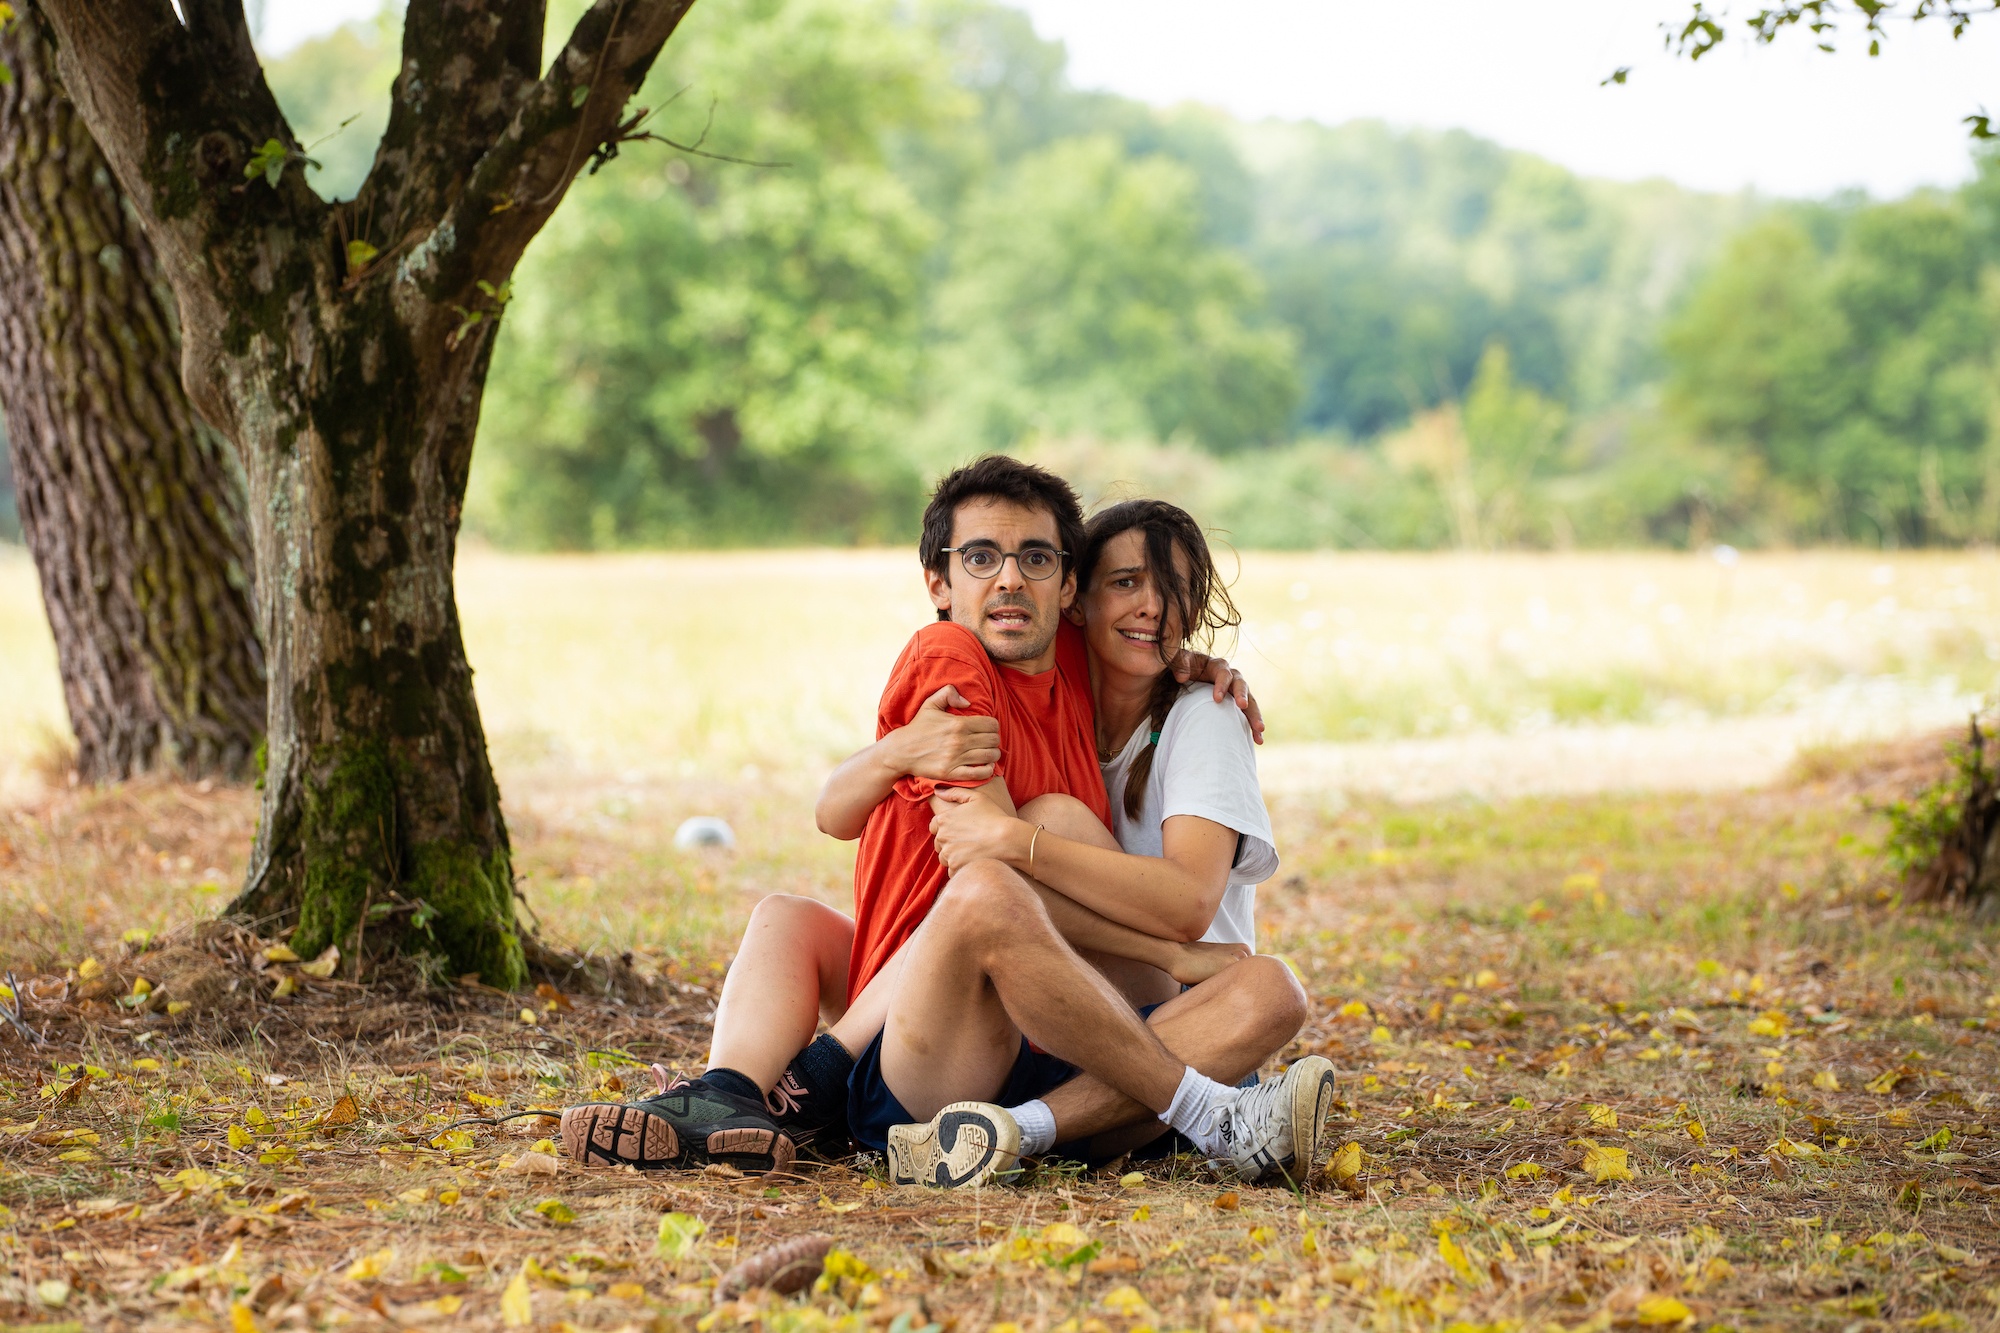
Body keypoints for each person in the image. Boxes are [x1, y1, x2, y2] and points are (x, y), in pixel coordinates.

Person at [561, 460, 1327, 1186]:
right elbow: (938, 853)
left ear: (1066, 589)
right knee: (881, 900)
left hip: (1043, 1016)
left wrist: (1191, 662)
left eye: (1035, 560)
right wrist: (1173, 953)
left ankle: (996, 1128)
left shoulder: (1076, 655)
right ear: (939, 580)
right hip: (951, 1023)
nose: (1010, 579)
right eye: (983, 557)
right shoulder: (954, 655)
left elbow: (1137, 631)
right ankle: (763, 1091)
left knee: (1272, 990)